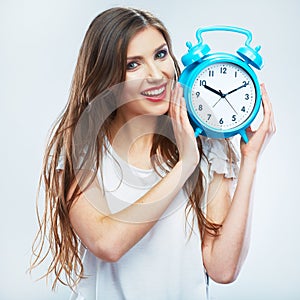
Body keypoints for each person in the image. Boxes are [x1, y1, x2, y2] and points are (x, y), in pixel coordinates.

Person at [30, 7, 275, 300]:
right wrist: (184, 165)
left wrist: (249, 160)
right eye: (133, 65)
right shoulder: (83, 147)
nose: (157, 75)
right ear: (107, 79)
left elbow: (222, 269)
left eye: (160, 55)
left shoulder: (210, 146)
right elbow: (107, 243)